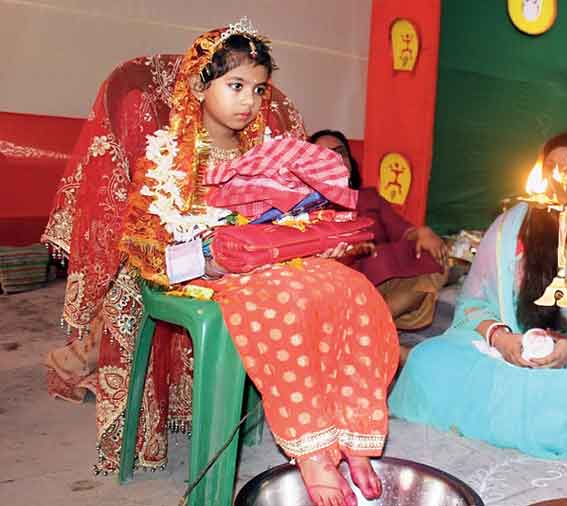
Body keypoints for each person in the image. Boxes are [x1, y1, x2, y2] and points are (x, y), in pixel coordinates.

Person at [57, 21, 398, 506]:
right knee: (286, 300)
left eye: (258, 89)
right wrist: (208, 257)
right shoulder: (167, 156)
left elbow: (293, 217)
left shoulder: (266, 155)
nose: (249, 101)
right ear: (200, 85)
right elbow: (141, 245)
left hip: (266, 261)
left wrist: (302, 230)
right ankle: (314, 452)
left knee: (353, 291)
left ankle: (354, 434)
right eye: (235, 86)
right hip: (199, 271)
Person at [388, 132, 567, 459]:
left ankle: (512, 406)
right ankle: (551, 418)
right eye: (551, 170)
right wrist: (503, 340)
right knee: (429, 360)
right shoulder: (511, 226)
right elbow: (473, 306)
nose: (560, 183)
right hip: (507, 348)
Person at [308, 130, 448, 346]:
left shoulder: (369, 197)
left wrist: (423, 232)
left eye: (341, 152)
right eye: (326, 155)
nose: (336, 159)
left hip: (389, 279)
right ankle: (388, 344)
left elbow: (403, 230)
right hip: (345, 285)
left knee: (431, 259)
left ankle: (368, 327)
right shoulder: (307, 207)